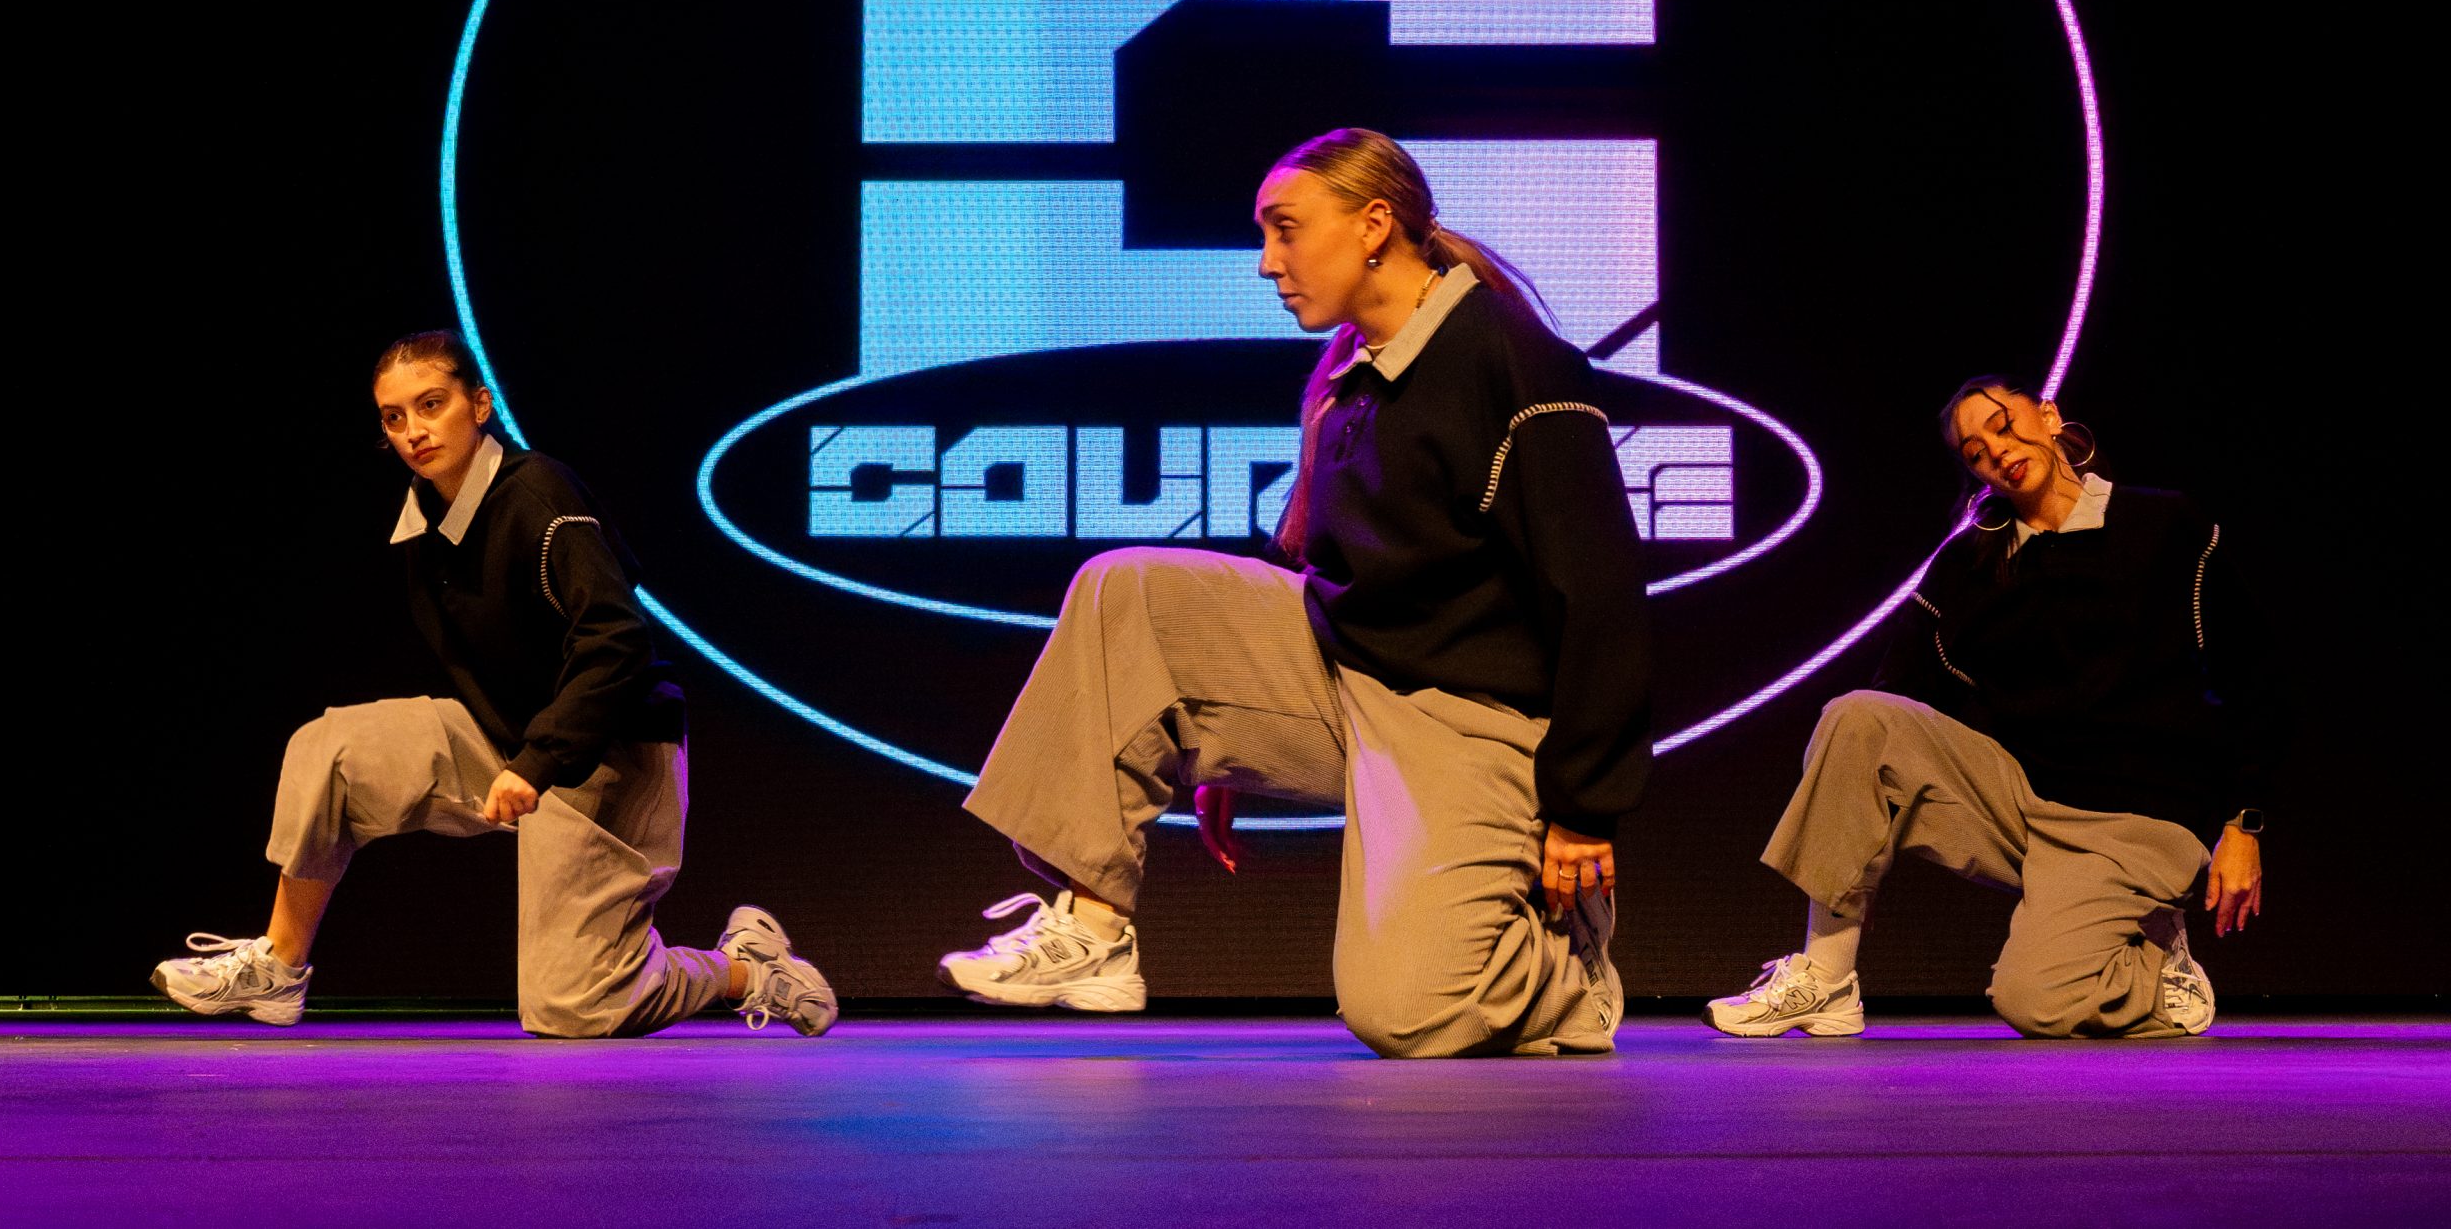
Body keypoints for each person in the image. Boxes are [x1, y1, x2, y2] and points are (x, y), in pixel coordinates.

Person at [936, 129, 1653, 1058]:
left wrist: (1585, 806)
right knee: (1126, 587)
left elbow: (1600, 592)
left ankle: (1562, 962)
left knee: (1406, 1012)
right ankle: (1093, 930)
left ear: (1374, 224)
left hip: (1467, 715)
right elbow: (1321, 570)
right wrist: (1206, 725)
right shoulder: (1352, 369)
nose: (1267, 262)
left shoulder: (1514, 361)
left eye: (1285, 229)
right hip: (1345, 672)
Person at [149, 330, 837, 1038]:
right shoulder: (425, 515)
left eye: (432, 404)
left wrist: (539, 761)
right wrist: (519, 755)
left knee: (571, 1007)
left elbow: (617, 639)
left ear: (479, 405)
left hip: (611, 754)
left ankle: (746, 969)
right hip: (509, 736)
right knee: (331, 749)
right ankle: (278, 967)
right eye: (394, 416)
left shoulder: (540, 495)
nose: (414, 430)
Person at [1708, 376, 2274, 1040]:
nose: (1997, 451)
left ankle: (2156, 953)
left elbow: (2253, 677)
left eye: (2004, 425)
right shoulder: (1971, 565)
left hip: (2138, 822)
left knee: (2032, 1002)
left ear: (2049, 416)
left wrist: (2244, 821)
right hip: (2027, 806)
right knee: (1858, 717)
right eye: (1976, 451)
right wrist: (1859, 810)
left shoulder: (2165, 526)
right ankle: (1827, 977)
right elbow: (1897, 691)